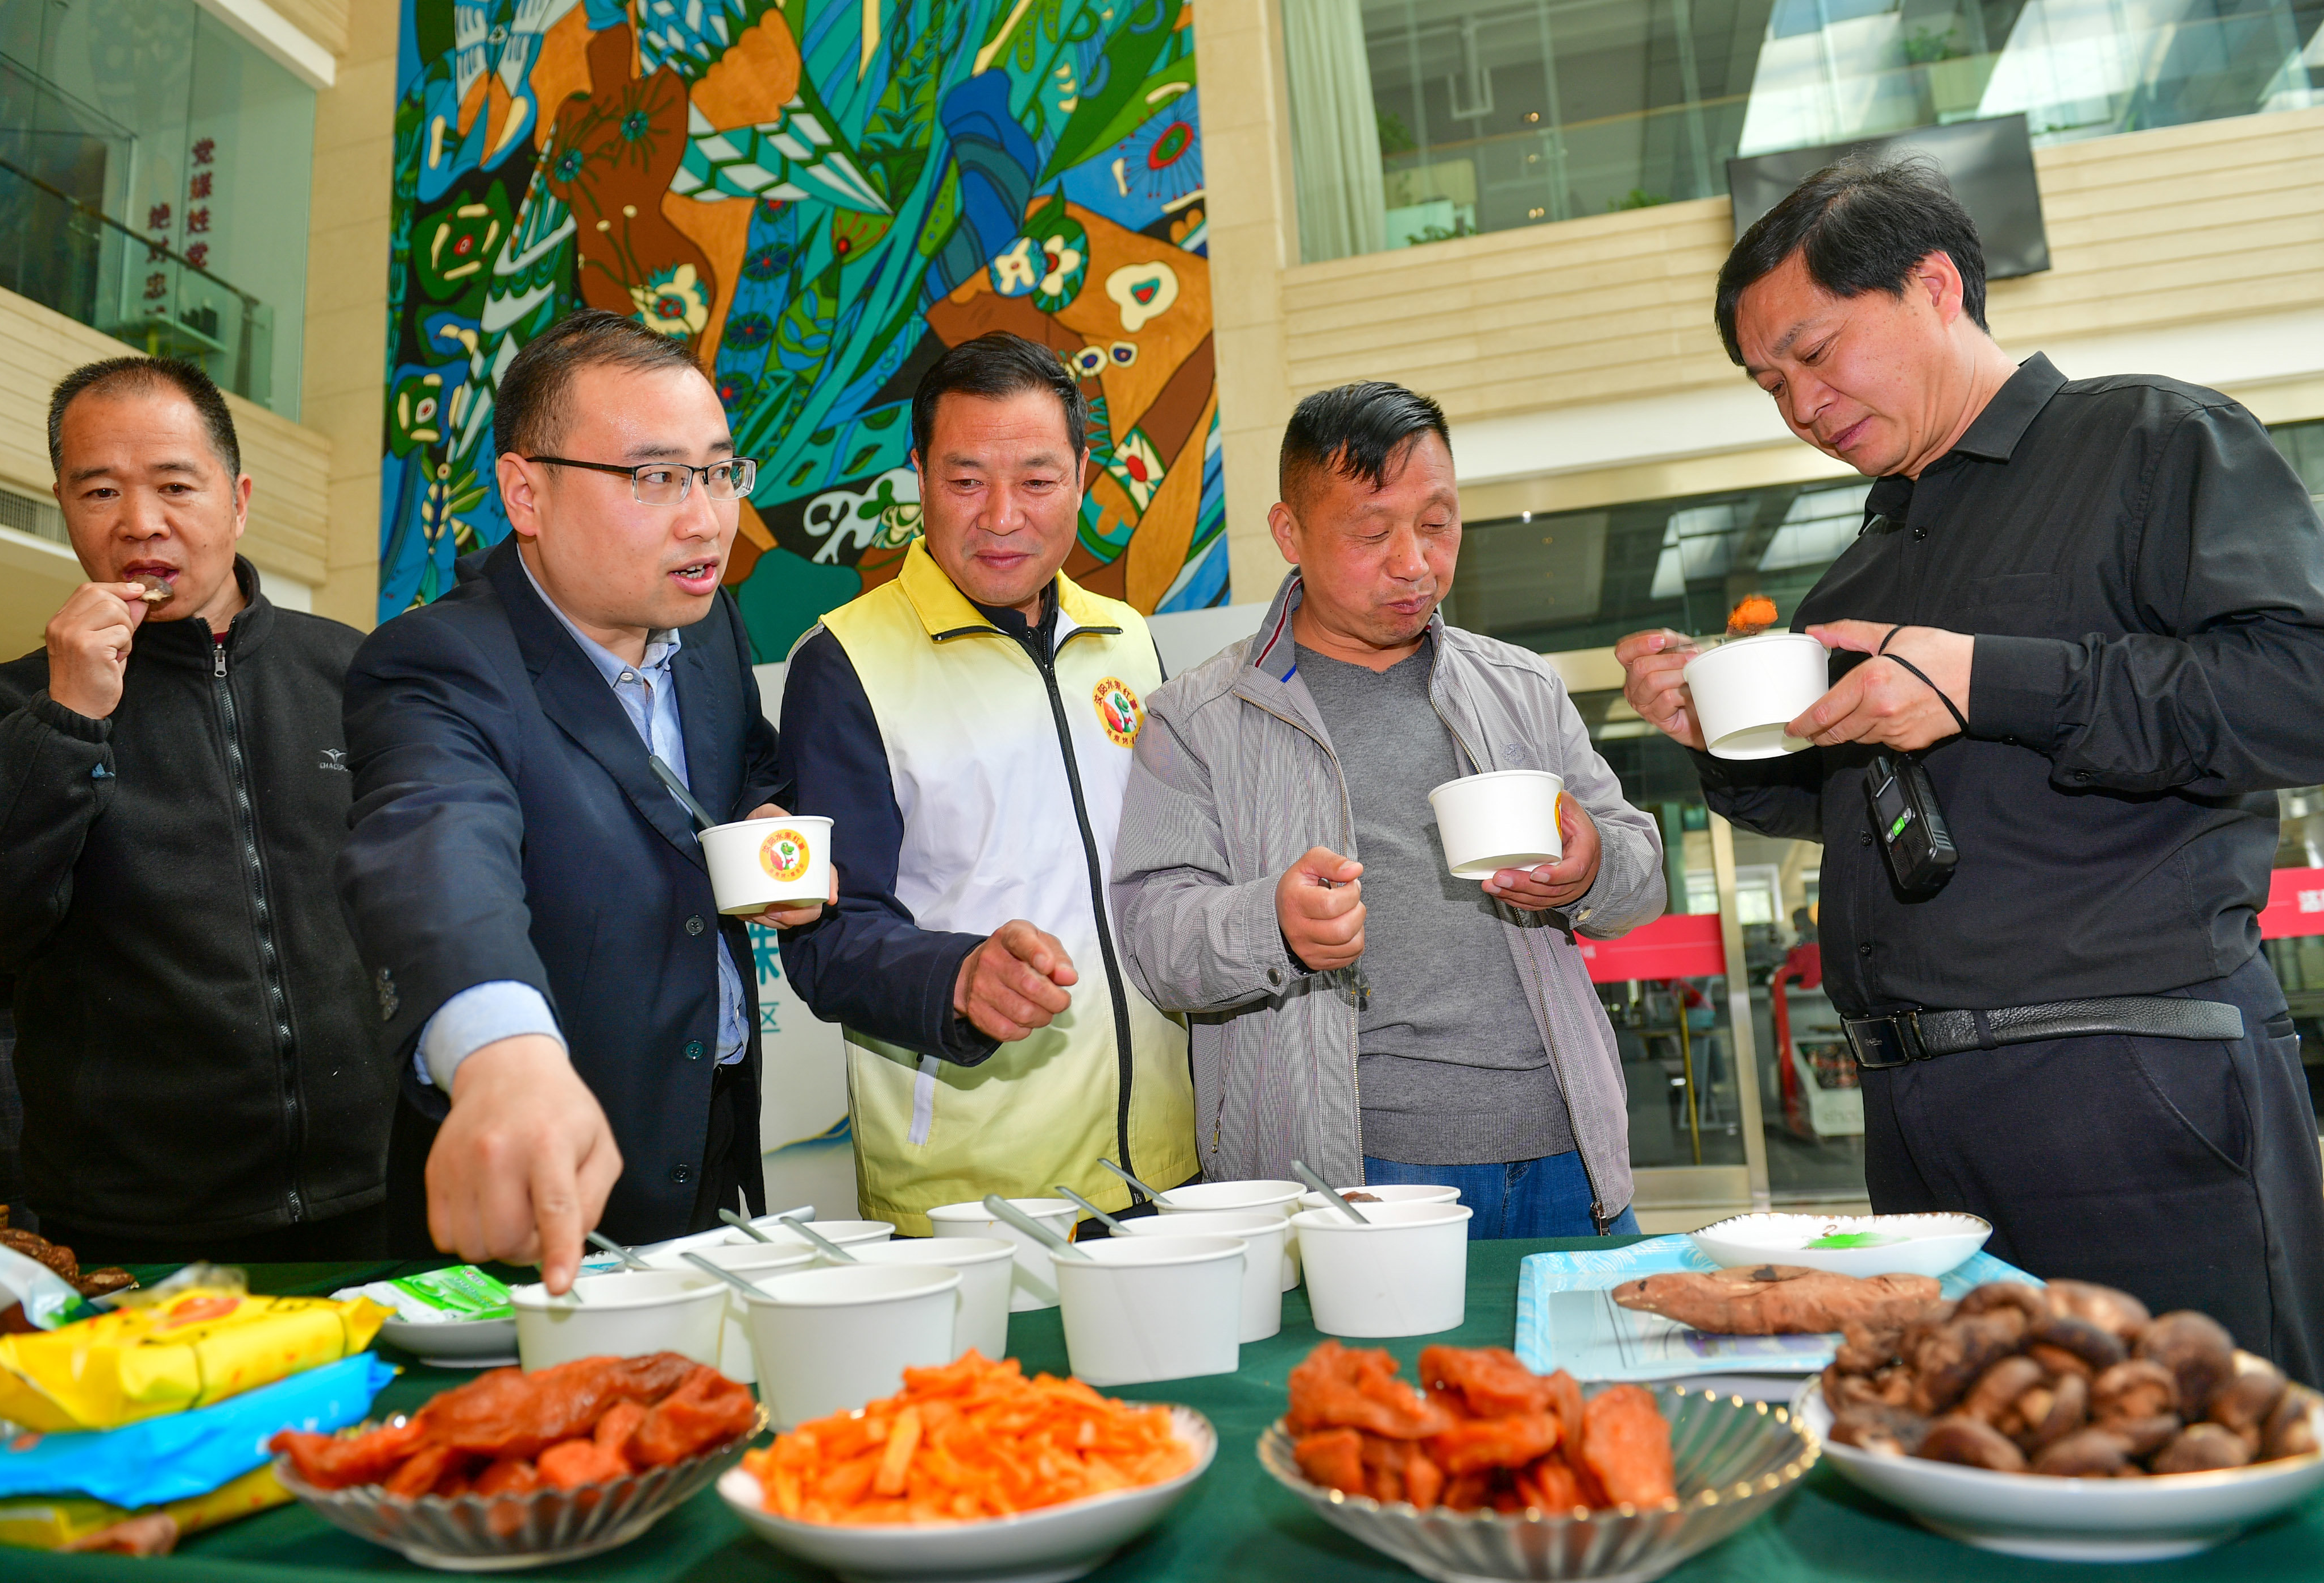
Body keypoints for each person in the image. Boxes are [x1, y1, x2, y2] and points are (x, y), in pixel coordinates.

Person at [1616, 155, 2324, 1382]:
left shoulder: (2151, 442)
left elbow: (2301, 689)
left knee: (2193, 1476)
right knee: (1983, 1465)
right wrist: (1714, 733)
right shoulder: (1862, 569)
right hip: (1912, 1125)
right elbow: (1839, 796)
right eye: (1770, 382)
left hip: (2127, 1085)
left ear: (1936, 285)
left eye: (1818, 352)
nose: (1799, 403)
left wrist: (1989, 680)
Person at [337, 310, 821, 1290]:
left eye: (720, 472)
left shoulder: (707, 620)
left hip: (717, 1149)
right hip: (546, 1190)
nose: (707, 519)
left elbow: (743, 770)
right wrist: (505, 1056)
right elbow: (437, 852)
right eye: (654, 479)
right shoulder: (440, 662)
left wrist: (765, 823)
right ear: (527, 493)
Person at [1112, 382, 1664, 1236]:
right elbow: (1153, 938)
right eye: (1372, 533)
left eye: (1438, 524)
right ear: (1289, 534)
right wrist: (1273, 925)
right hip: (1356, 1173)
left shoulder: (1519, 687)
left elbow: (1640, 875)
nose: (1414, 562)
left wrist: (1593, 866)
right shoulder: (1198, 719)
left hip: (1572, 1156)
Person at [0, 356, 388, 1261]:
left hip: (380, 1192)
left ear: (238, 498)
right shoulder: (5, 710)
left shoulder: (358, 675)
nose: (140, 523)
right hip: (129, 1227)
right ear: (66, 507)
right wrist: (68, 717)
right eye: (100, 490)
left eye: (176, 485)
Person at [777, 332, 1198, 1234]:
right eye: (966, 481)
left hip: (1170, 1173)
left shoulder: (1126, 637)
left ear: (1082, 477)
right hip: (975, 1203)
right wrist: (958, 977)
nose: (1003, 515)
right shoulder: (845, 662)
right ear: (918, 477)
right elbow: (826, 938)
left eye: (1038, 481)